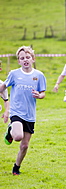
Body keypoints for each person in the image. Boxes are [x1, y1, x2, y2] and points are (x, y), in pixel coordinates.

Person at [0, 46, 47, 175]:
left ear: (33, 59)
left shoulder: (39, 75)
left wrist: (39, 95)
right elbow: (3, 86)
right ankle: (11, 130)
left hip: (30, 115)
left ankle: (16, 167)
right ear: (19, 61)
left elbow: (43, 93)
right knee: (18, 137)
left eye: (28, 57)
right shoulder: (14, 74)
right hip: (16, 112)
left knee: (24, 145)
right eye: (22, 58)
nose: (25, 60)